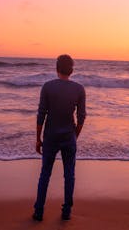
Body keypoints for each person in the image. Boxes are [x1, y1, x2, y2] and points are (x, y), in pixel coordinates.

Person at [32, 54, 86, 221]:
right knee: (69, 174)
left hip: (50, 137)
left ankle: (39, 211)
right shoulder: (78, 89)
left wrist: (38, 138)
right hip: (69, 136)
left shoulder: (48, 87)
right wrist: (74, 135)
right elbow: (82, 116)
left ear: (56, 68)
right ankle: (66, 212)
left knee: (45, 174)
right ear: (71, 70)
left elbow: (41, 114)